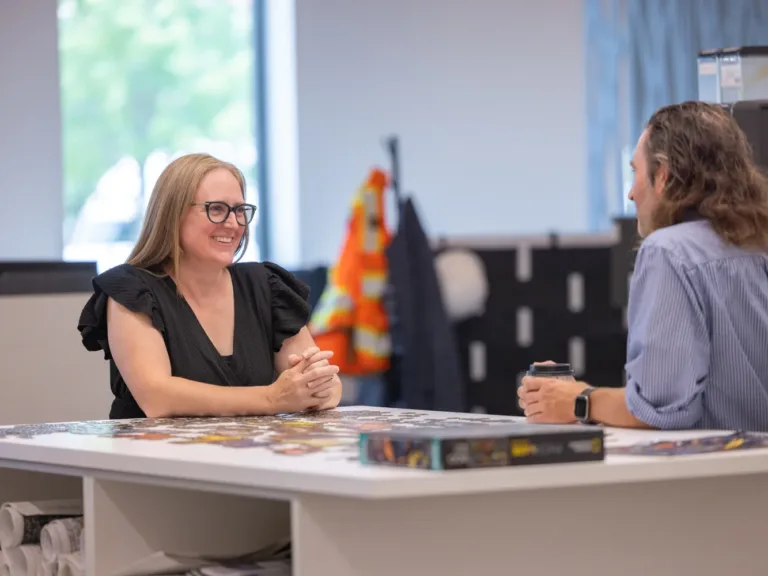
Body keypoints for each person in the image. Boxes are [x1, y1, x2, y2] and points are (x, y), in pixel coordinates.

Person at [518, 101, 768, 431]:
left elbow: (657, 408)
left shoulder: (669, 251)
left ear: (662, 175)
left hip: (710, 477)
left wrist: (575, 400)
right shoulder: (757, 243)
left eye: (635, 172)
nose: (632, 193)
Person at [77, 153, 342, 419]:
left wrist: (319, 389)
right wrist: (273, 398)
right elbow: (158, 398)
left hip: (249, 457)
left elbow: (326, 387)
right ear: (173, 214)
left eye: (239, 210)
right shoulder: (132, 290)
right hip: (156, 458)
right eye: (216, 209)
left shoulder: (266, 286)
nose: (233, 223)